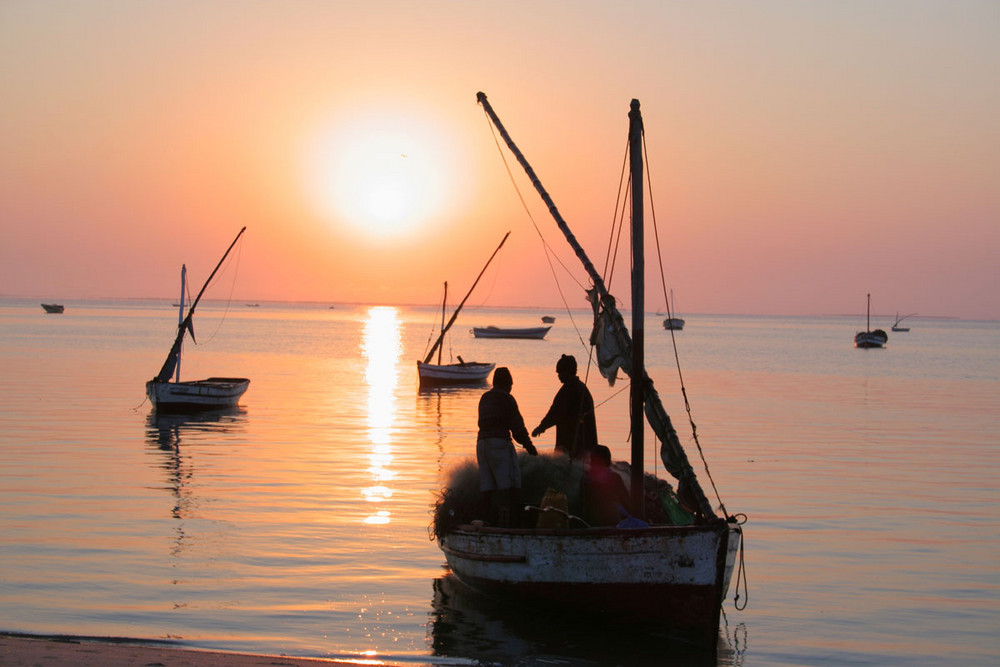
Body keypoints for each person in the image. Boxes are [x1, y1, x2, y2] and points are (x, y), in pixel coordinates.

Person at [477, 367, 537, 526]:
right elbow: (517, 427)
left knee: (487, 485)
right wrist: (529, 446)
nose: (511, 388)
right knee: (511, 483)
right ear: (508, 384)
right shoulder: (507, 398)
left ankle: (486, 521)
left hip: (481, 444)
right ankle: (511, 522)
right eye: (510, 384)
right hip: (499, 444)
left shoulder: (485, 397)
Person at [531, 354, 598, 459]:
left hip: (574, 442)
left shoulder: (569, 389)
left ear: (567, 372)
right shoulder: (580, 387)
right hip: (585, 442)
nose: (558, 376)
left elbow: (555, 413)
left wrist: (541, 427)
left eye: (560, 372)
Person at [580, 445, 631, 526]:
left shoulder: (585, 478)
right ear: (608, 459)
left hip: (591, 522)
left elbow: (582, 503)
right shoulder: (615, 477)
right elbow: (626, 501)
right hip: (612, 520)